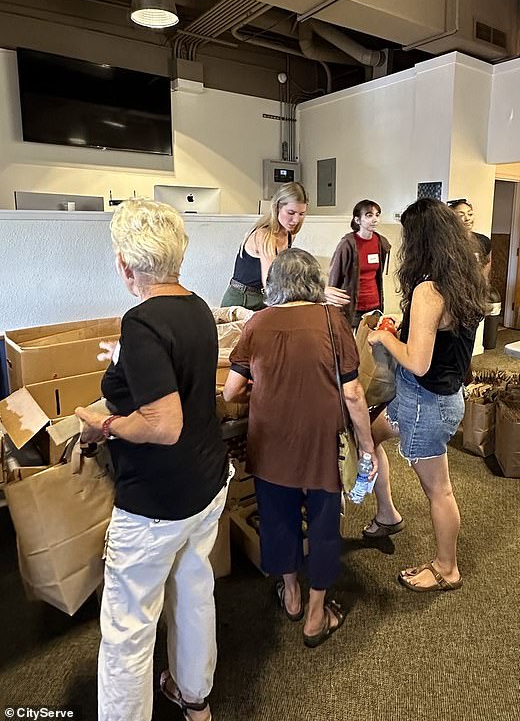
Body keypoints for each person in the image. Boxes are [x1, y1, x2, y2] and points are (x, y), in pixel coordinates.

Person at [75, 199, 230, 721]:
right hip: (205, 484)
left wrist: (106, 425)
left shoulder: (140, 321)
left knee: (128, 629)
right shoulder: (197, 307)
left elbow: (163, 425)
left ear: (125, 264)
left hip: (156, 502)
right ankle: (195, 698)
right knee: (193, 591)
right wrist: (124, 363)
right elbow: (179, 376)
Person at [223, 248, 377, 647]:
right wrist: (367, 446)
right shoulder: (332, 320)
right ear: (314, 281)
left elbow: (232, 390)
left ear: (274, 283)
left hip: (270, 440)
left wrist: (266, 393)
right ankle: (315, 614)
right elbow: (354, 393)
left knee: (277, 518)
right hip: (321, 440)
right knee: (325, 522)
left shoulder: (257, 323)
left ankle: (290, 595)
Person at [365, 197, 488, 592]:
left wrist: (385, 337)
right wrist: (402, 329)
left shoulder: (428, 290)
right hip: (431, 397)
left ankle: (446, 567)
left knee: (439, 490)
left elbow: (417, 362)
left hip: (425, 403)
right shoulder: (466, 279)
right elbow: (436, 341)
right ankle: (388, 514)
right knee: (369, 435)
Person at [221, 181, 349, 311]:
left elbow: (286, 274)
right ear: (277, 207)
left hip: (264, 299)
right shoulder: (264, 236)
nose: (296, 220)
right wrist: (316, 290)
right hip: (243, 300)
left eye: (301, 214)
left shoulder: (289, 235)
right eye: (291, 212)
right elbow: (271, 283)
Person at [329, 199, 391, 327]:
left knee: (369, 344)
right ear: (357, 220)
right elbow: (335, 277)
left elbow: (378, 274)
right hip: (353, 307)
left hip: (374, 305)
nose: (375, 219)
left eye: (377, 215)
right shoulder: (347, 244)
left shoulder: (381, 242)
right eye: (369, 215)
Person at [447, 198, 492, 276]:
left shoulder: (483, 240)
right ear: (452, 219)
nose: (467, 218)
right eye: (461, 215)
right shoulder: (446, 241)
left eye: (470, 214)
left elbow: (487, 263)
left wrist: (483, 281)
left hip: (475, 285)